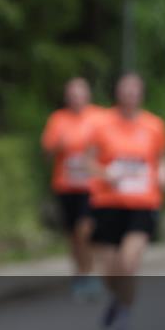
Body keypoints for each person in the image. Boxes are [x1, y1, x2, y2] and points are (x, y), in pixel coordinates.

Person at [87, 73, 165, 330]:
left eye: (135, 91)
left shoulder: (155, 126)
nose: (130, 96)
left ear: (141, 95)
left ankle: (124, 317)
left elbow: (161, 159)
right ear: (117, 94)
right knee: (110, 271)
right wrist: (105, 173)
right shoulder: (101, 124)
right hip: (108, 203)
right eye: (125, 91)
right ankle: (117, 299)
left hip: (142, 204)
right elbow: (85, 162)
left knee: (128, 263)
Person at [41, 77, 103, 299]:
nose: (76, 98)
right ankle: (80, 273)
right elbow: (46, 153)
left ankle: (90, 273)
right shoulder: (58, 119)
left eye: (80, 93)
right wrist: (59, 146)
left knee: (85, 230)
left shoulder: (99, 117)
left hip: (91, 185)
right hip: (65, 185)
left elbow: (110, 147)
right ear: (67, 97)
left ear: (88, 95)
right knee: (73, 235)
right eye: (72, 94)